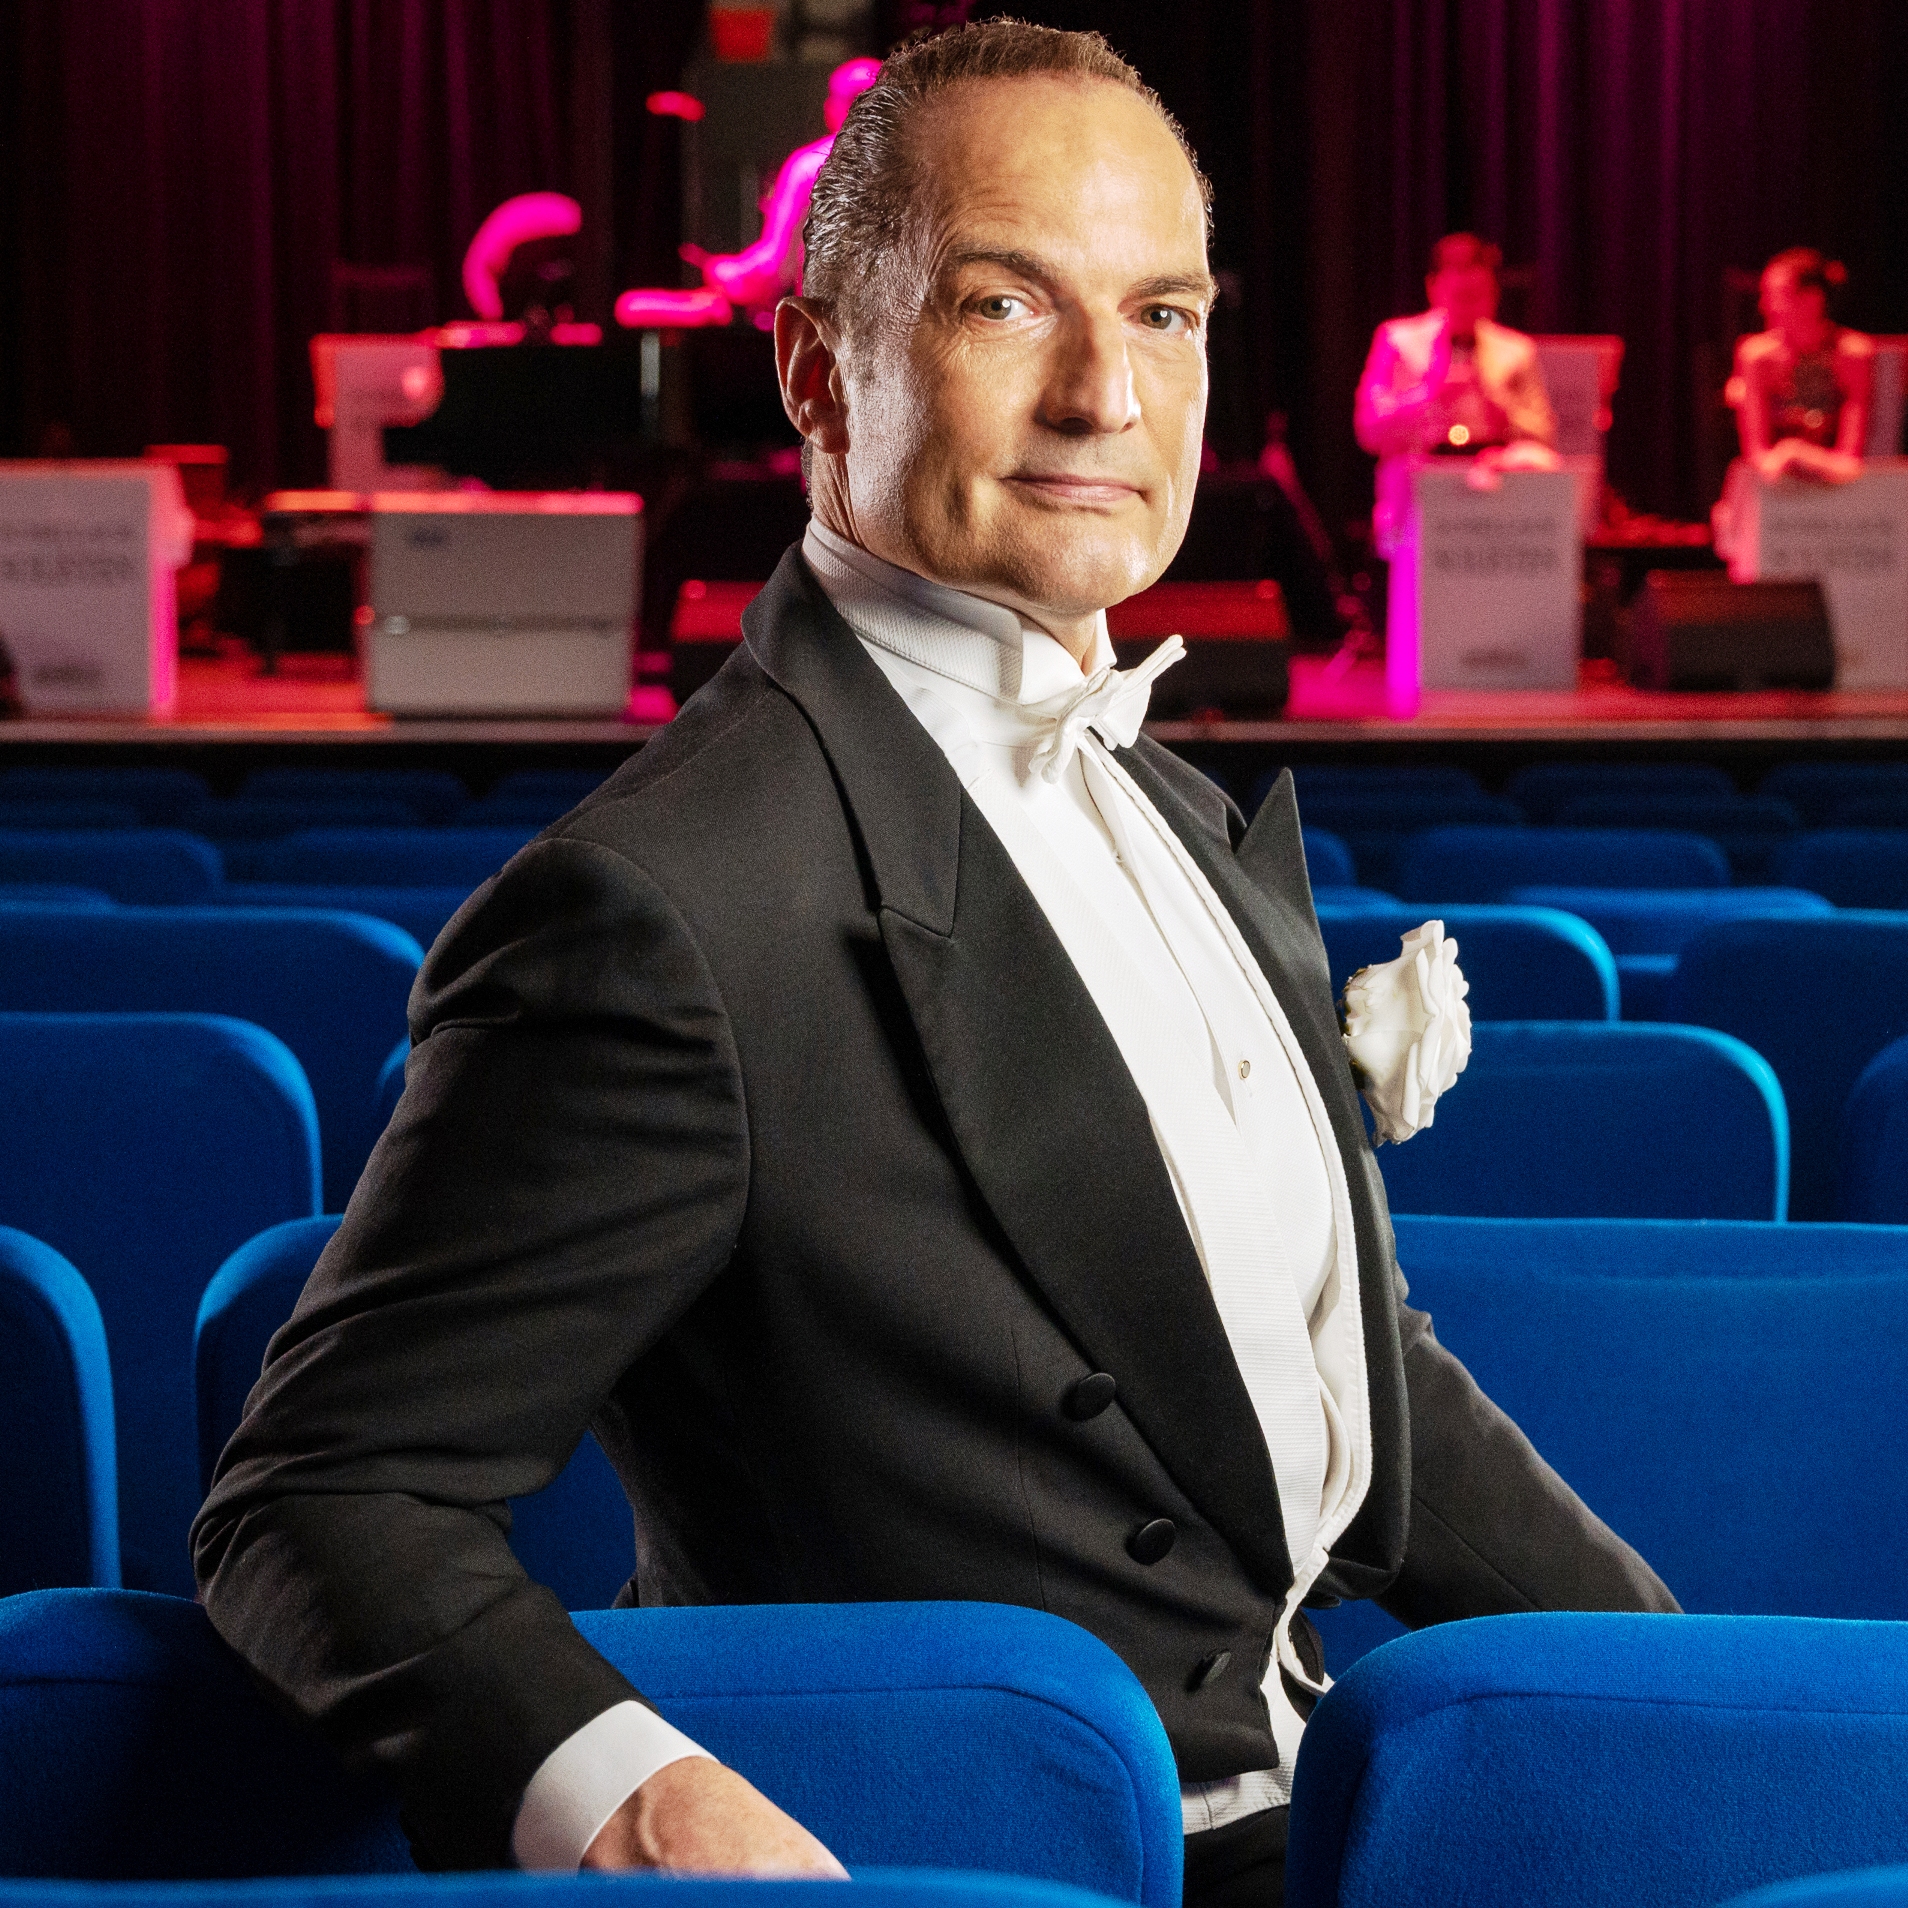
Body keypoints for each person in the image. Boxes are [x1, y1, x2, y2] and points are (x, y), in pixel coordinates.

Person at [193, 24, 1674, 1905]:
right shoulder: (657, 906)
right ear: (817, 368)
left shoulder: (1176, 806)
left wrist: (1680, 1703)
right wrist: (650, 1809)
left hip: (1333, 1818)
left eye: (1161, 314)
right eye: (1004, 304)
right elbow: (319, 1498)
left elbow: (1345, 1377)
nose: (1102, 396)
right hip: (991, 1857)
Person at [1353, 233, 1558, 557]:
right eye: (1460, 294)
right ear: (1433, 287)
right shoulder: (1397, 341)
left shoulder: (1517, 350)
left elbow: (1543, 433)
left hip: (1499, 507)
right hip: (1417, 499)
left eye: (1478, 294)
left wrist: (1497, 405)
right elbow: (1368, 428)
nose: (1469, 304)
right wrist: (1428, 398)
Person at [1728, 248, 1874, 485]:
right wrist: (1790, 460)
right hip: (1774, 486)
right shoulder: (1757, 357)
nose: (1765, 306)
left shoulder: (1851, 354)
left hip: (1839, 490)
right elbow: (1757, 454)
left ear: (1813, 299)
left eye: (1776, 296)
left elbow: (1850, 459)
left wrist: (1798, 454)